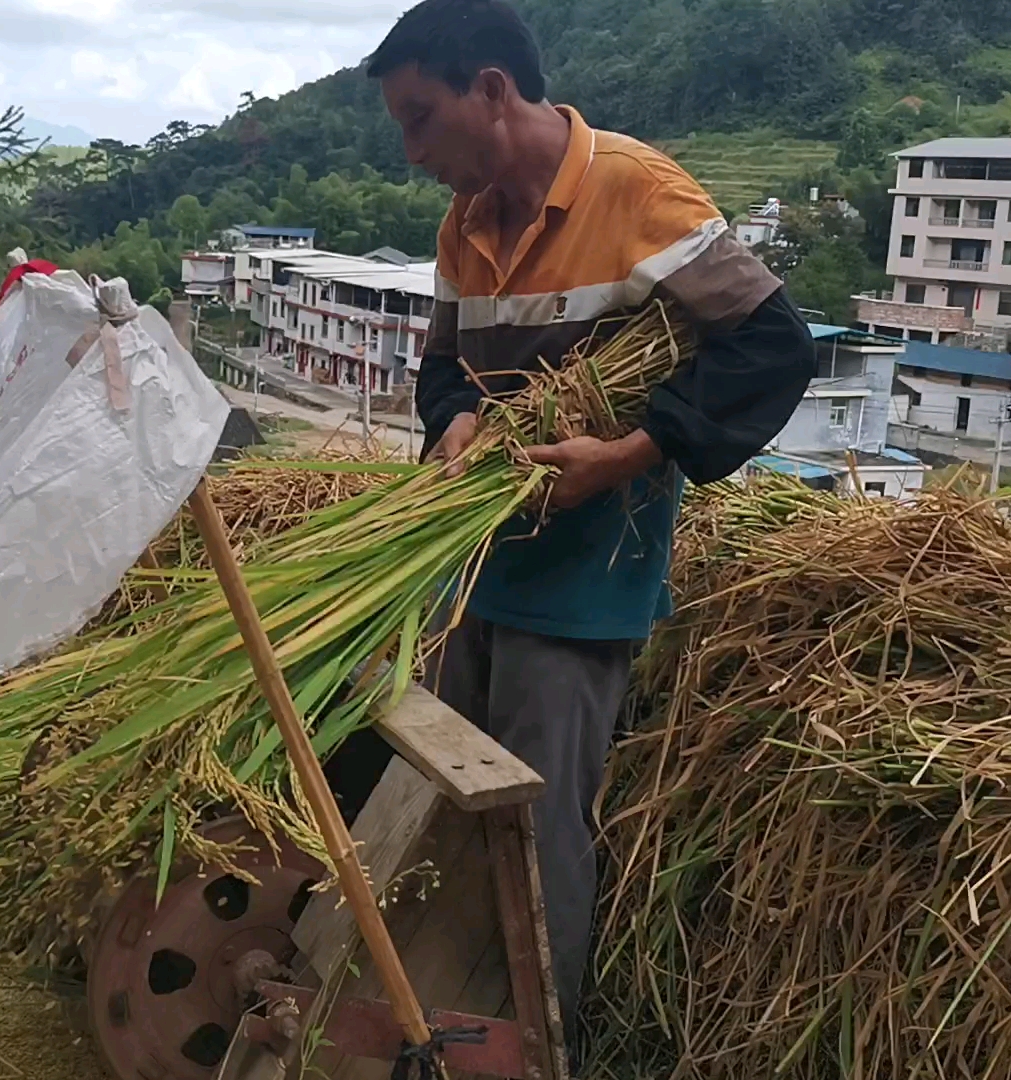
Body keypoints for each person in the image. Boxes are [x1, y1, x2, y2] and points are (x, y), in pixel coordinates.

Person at [364, 0, 818, 1045]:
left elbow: (772, 348)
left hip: (582, 580)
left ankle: (537, 1043)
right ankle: (426, 1025)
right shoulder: (464, 224)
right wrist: (459, 421)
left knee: (532, 828)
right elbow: (444, 369)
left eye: (420, 118)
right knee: (432, 799)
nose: (411, 149)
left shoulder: (637, 191)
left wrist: (626, 454)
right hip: (468, 562)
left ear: (489, 90)